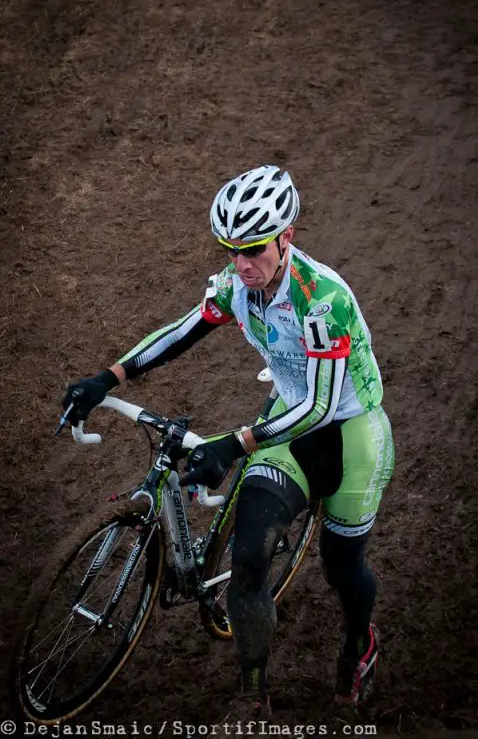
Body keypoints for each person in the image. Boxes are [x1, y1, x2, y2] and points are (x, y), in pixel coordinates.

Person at [62, 164, 395, 715]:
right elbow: (181, 330)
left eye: (255, 249)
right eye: (231, 249)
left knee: (342, 567)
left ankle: (360, 646)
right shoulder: (238, 285)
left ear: (286, 237)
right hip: (288, 425)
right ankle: (253, 695)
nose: (242, 264)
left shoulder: (321, 301)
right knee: (248, 558)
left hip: (351, 435)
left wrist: (236, 444)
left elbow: (320, 407)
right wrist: (107, 378)